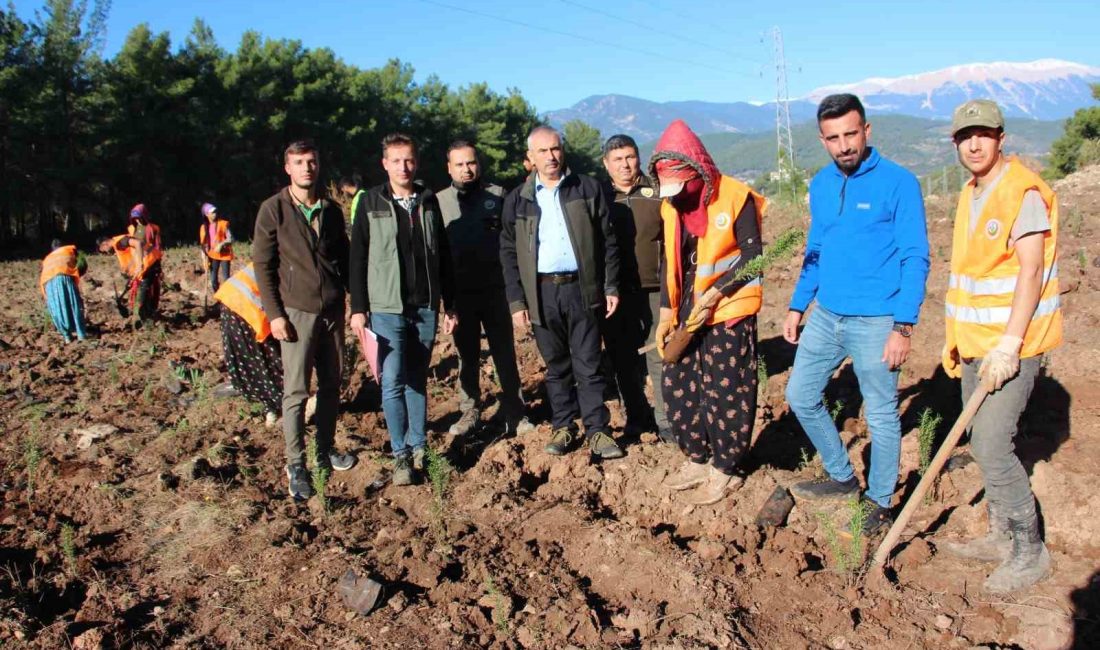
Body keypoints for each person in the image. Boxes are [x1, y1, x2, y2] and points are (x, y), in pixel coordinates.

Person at [784, 94, 930, 534]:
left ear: (867, 131)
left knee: (882, 415)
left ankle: (880, 500)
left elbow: (915, 256)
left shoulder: (899, 183)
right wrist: (797, 304)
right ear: (822, 139)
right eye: (834, 137)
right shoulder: (822, 185)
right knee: (800, 395)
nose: (844, 145)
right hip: (827, 315)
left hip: (877, 321)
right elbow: (816, 250)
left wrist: (903, 326)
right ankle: (843, 475)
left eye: (851, 133)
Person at [937, 100, 1061, 592]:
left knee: (990, 441)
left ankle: (1029, 552)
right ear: (955, 142)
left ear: (1000, 137)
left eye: (984, 134)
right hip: (975, 344)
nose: (974, 143)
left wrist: (1009, 346)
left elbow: (1031, 270)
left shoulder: (1020, 191)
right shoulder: (972, 191)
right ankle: (1000, 534)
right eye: (965, 136)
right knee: (980, 440)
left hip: (1012, 347)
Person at [647, 120, 767, 504]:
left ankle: (725, 467)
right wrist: (667, 312)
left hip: (728, 307)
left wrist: (716, 292)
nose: (677, 197)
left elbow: (754, 256)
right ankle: (696, 457)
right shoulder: (671, 207)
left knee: (726, 388)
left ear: (698, 173)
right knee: (678, 383)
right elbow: (670, 259)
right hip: (687, 308)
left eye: (683, 188)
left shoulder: (735, 196)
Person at [500, 125, 624, 460]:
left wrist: (610, 285)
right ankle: (564, 426)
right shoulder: (518, 200)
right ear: (531, 158)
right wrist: (516, 301)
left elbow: (607, 241)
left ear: (562, 150)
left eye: (555, 149)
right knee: (556, 367)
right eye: (542, 151)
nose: (551, 156)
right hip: (541, 294)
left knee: (589, 363)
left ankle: (598, 431)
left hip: (581, 289)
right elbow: (509, 254)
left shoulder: (586, 188)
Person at [349, 133, 458, 486]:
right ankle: (400, 457)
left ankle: (419, 447)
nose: (403, 167)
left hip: (424, 306)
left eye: (409, 160)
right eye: (396, 161)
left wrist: (449, 304)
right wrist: (359, 308)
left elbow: (442, 254)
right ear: (385, 164)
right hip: (386, 307)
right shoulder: (370, 201)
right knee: (392, 381)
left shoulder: (428, 200)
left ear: (417, 162)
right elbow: (358, 258)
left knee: (416, 381)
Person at [253, 139, 356, 501]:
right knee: (296, 392)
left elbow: (344, 258)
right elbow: (263, 267)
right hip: (295, 313)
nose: (306, 168)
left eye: (311, 162)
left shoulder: (329, 210)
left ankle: (324, 449)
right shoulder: (273, 210)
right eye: (299, 163)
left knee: (331, 384)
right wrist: (275, 314)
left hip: (332, 310)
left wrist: (354, 301)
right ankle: (296, 463)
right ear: (288, 168)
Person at [436, 140, 533, 437]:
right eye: (460, 164)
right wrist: (444, 301)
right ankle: (470, 410)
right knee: (467, 354)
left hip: (496, 291)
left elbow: (514, 243)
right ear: (449, 168)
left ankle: (515, 411)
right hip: (460, 294)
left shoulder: (498, 195)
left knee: (504, 352)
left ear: (478, 164)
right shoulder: (438, 202)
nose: (467, 169)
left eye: (471, 163)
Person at [599, 134, 672, 442]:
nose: (625, 164)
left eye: (630, 157)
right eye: (617, 159)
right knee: (623, 358)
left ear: (639, 158)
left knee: (659, 353)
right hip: (615, 292)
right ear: (606, 164)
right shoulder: (599, 196)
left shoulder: (658, 192)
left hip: (656, 288)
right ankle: (636, 417)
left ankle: (667, 421)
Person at [214, 262, 283, 427]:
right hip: (244, 305)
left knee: (261, 359)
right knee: (267, 357)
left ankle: (273, 404)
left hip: (233, 298)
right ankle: (276, 405)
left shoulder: (283, 253)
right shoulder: (294, 264)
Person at [40, 239, 88, 342]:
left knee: (57, 309)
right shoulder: (69, 250)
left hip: (47, 283)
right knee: (73, 304)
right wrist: (78, 275)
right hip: (64, 277)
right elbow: (82, 264)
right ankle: (81, 335)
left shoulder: (47, 258)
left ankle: (67, 337)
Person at [124, 203, 163, 320]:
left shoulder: (154, 228)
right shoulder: (132, 229)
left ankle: (148, 313)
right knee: (136, 289)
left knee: (148, 289)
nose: (137, 220)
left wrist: (158, 264)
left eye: (139, 217)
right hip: (136, 263)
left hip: (150, 263)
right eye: (135, 218)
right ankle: (139, 314)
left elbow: (158, 248)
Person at [199, 202, 234, 292]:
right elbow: (203, 245)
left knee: (226, 278)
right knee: (213, 280)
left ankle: (227, 299)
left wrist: (222, 244)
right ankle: (218, 297)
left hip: (224, 255)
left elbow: (231, 239)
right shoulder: (203, 228)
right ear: (207, 214)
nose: (215, 214)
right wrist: (204, 260)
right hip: (212, 255)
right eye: (212, 212)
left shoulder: (223, 224)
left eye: (215, 212)